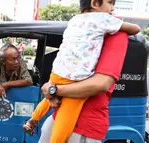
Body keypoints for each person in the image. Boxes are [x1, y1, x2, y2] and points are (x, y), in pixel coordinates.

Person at [23, 0, 140, 142]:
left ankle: (32, 120)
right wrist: (53, 90)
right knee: (61, 128)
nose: (112, 8)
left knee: (47, 103)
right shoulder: (111, 28)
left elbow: (50, 88)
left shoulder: (74, 21)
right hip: (81, 125)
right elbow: (100, 84)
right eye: (110, 3)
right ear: (95, 3)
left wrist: (53, 90)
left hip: (58, 76)